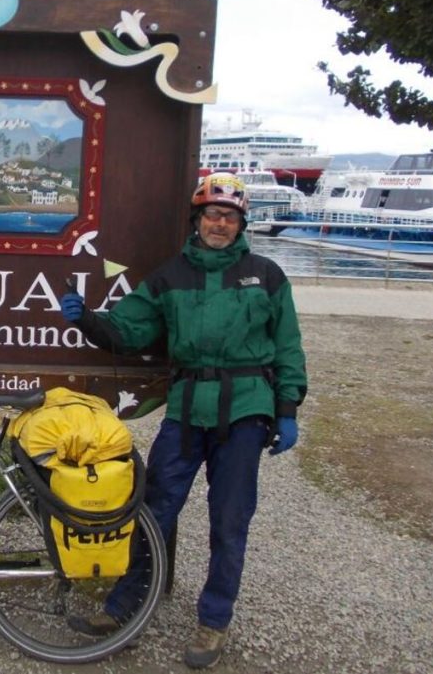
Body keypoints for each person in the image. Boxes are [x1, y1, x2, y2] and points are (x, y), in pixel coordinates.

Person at [59, 172, 307, 669]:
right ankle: (124, 609)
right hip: (187, 405)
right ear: (197, 220)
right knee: (153, 510)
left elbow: (288, 345)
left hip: (245, 410)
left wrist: (287, 408)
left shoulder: (267, 275)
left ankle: (213, 622)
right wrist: (87, 319)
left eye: (230, 217)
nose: (220, 224)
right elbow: (129, 330)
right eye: (212, 215)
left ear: (242, 224)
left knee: (230, 522)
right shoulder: (170, 277)